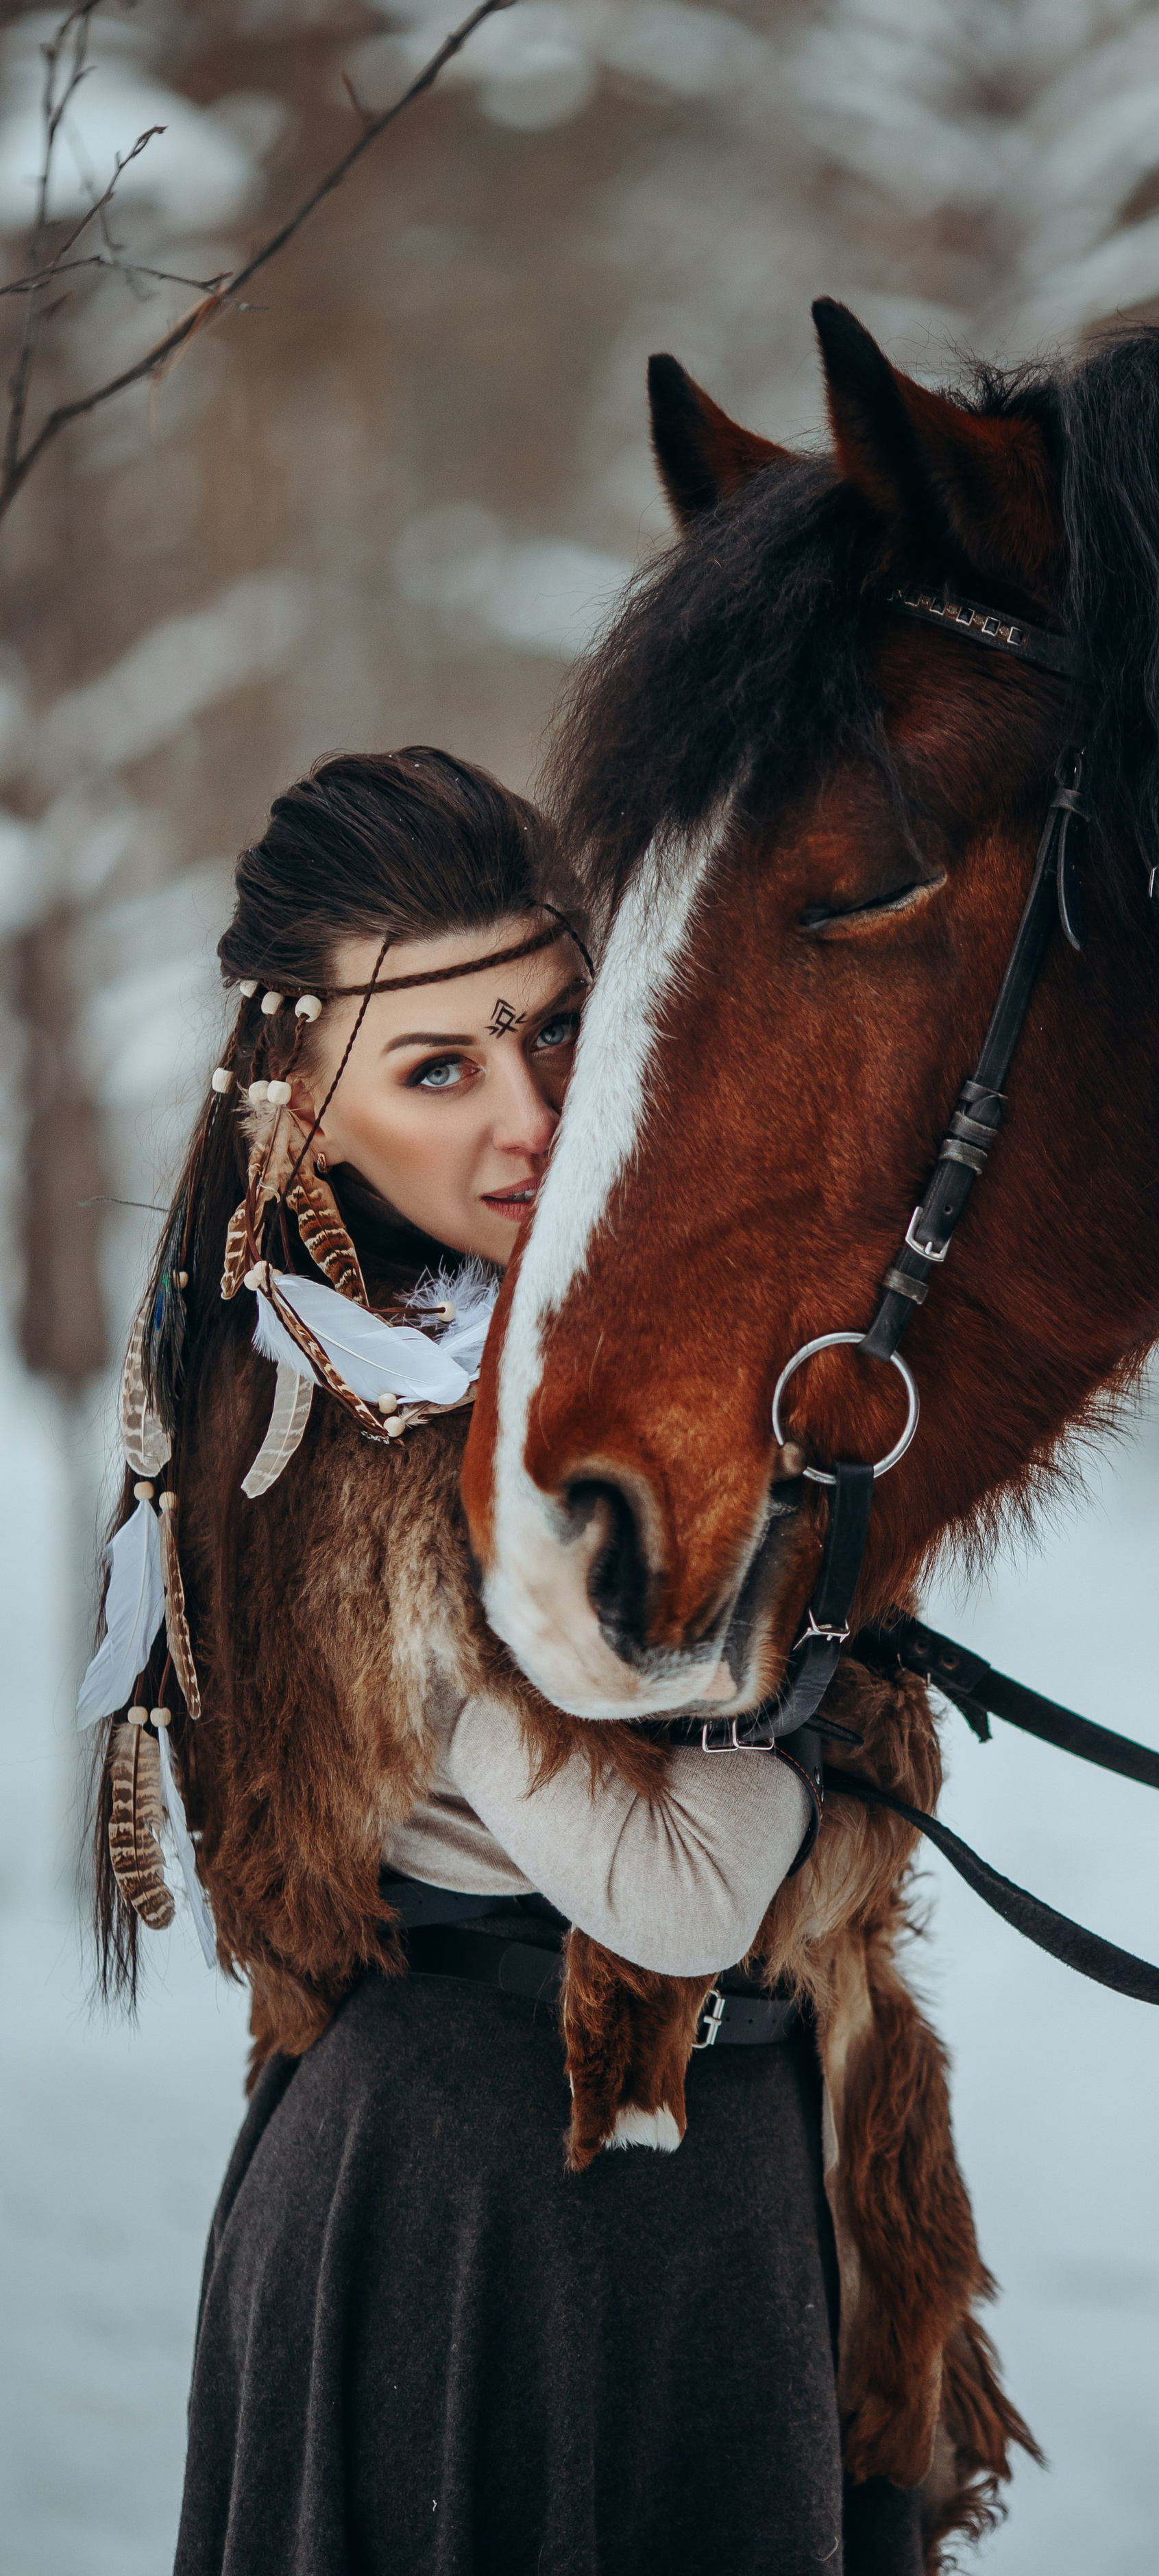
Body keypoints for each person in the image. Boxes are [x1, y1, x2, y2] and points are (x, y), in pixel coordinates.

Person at [80, 750, 1025, 2576]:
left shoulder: (619, 1372)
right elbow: (673, 1894)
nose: (531, 1113)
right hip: (472, 2223)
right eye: (439, 1069)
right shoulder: (370, 1443)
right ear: (299, 1120)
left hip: (721, 2199)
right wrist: (808, 1757)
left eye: (561, 1029)